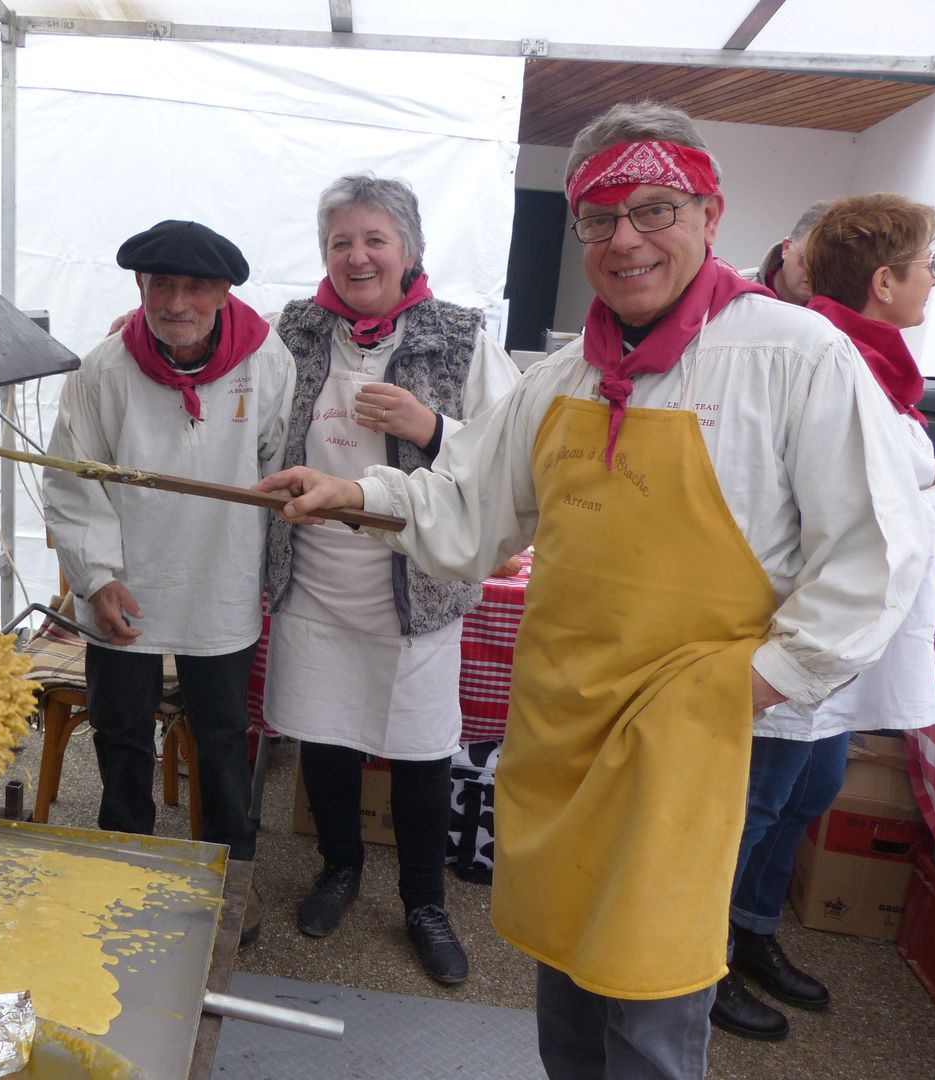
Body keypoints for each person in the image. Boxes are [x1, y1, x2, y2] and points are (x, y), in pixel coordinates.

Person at [256, 102, 930, 1079]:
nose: (625, 240)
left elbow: (880, 545)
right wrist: (352, 491)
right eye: (600, 219)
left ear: (709, 210)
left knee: (652, 1004)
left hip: (682, 738)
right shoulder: (563, 376)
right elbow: (470, 504)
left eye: (654, 210)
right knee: (564, 980)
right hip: (563, 728)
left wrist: (766, 679)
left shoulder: (791, 356)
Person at [712, 193, 935, 1040]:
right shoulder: (833, 364)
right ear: (885, 281)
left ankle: (754, 935)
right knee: (760, 805)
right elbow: (863, 527)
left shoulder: (879, 364)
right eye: (932, 264)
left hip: (842, 645)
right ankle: (701, 965)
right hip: (800, 632)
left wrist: (931, 486)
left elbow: (869, 499)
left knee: (808, 792)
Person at [264, 174, 519, 985]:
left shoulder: (460, 336)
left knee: (419, 752)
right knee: (327, 737)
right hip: (314, 580)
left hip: (416, 586)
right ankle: (339, 868)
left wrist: (432, 426)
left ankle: (424, 903)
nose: (357, 255)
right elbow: (235, 382)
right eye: (340, 241)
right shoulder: (296, 333)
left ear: (409, 249)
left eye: (375, 239)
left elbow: (515, 454)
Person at [43, 220, 296, 945]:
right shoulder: (106, 370)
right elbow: (71, 479)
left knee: (220, 734)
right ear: (140, 288)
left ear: (220, 293)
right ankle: (124, 861)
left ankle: (227, 874)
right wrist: (97, 578)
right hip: (127, 583)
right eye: (161, 286)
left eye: (193, 287)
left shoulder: (265, 361)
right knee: (121, 730)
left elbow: (278, 454)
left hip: (220, 577)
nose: (175, 302)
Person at [742, 200, 832, 305]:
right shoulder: (735, 291)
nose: (815, 274)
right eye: (807, 261)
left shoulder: (843, 312)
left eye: (826, 266)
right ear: (786, 247)